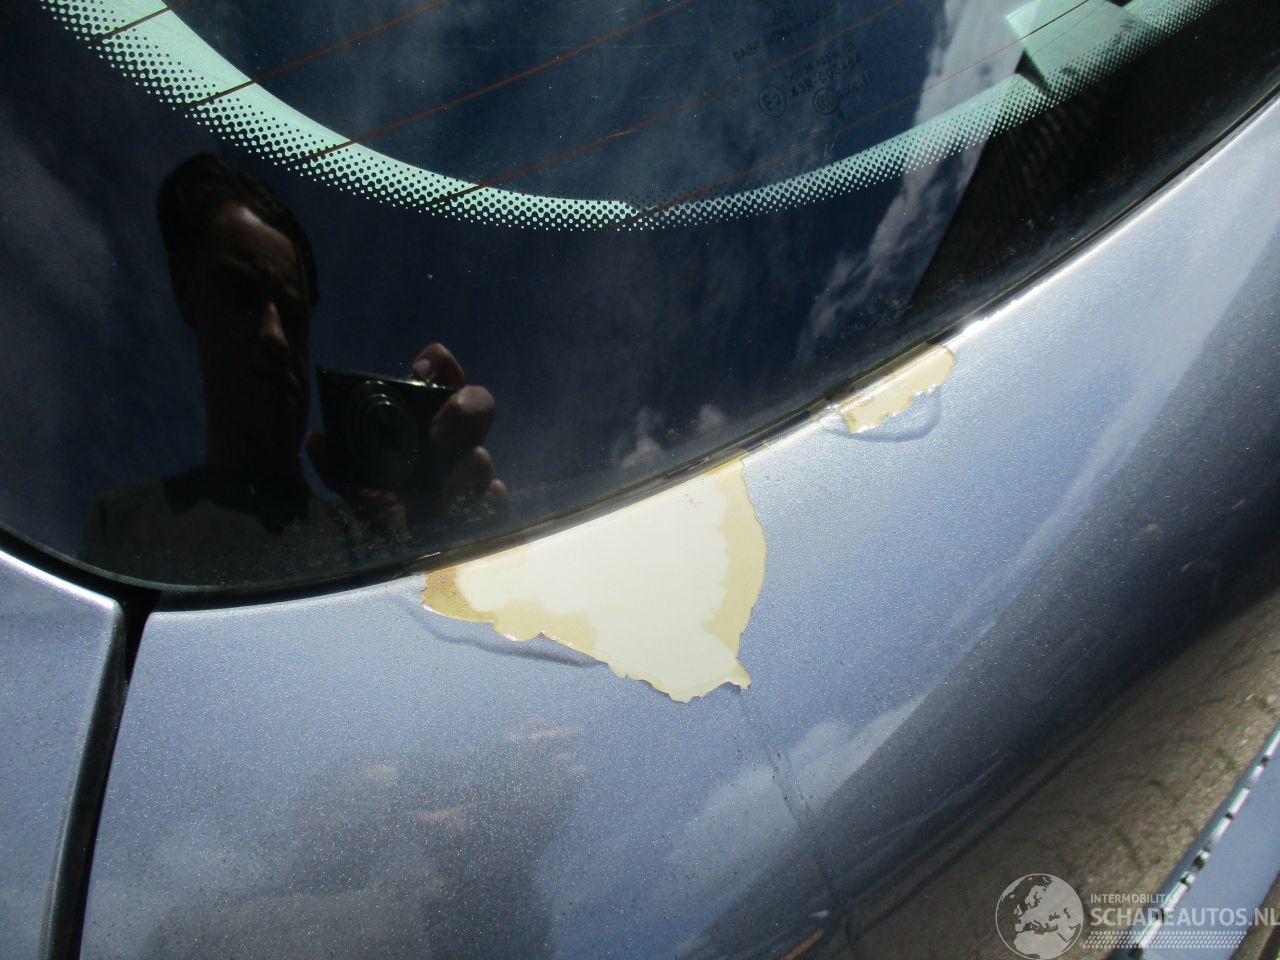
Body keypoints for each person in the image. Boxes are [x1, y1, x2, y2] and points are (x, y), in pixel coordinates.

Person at [84, 153, 505, 584]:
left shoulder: (369, 541)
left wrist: (435, 550)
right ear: (184, 291)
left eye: (292, 312)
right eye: (241, 294)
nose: (274, 335)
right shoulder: (125, 524)